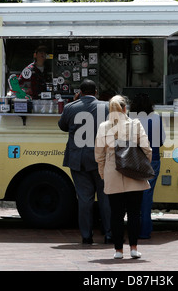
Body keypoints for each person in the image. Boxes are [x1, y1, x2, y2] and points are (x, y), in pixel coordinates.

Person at [95, 95, 152, 259]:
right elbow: (147, 149)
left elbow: (99, 155)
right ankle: (134, 248)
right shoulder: (135, 124)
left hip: (112, 173)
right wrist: (142, 166)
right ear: (125, 109)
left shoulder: (103, 127)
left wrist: (103, 174)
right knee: (135, 213)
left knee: (116, 214)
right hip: (134, 173)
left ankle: (118, 250)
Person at [58, 79, 111, 244]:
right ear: (96, 92)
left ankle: (86, 236)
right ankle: (109, 234)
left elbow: (63, 126)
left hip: (78, 159)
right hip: (101, 158)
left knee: (84, 199)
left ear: (80, 92)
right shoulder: (107, 107)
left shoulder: (69, 108)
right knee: (105, 198)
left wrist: (74, 104)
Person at [129, 93, 165, 239]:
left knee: (133, 194)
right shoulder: (156, 117)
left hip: (134, 159)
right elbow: (161, 140)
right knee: (147, 195)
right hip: (152, 159)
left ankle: (133, 228)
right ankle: (145, 230)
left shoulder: (129, 118)